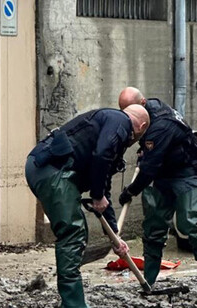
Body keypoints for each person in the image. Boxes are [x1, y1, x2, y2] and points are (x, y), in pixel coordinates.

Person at [25, 104, 149, 308]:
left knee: (74, 232)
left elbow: (104, 185)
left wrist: (115, 236)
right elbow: (101, 156)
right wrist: (97, 195)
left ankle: (72, 301)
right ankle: (74, 305)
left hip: (45, 169)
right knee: (72, 233)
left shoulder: (107, 129)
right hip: (51, 170)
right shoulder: (120, 122)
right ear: (141, 126)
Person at [117, 87, 197, 299]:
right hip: (163, 175)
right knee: (153, 226)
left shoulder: (161, 125)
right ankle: (149, 281)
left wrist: (131, 191)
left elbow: (149, 169)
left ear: (142, 104)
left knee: (193, 223)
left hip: (188, 172)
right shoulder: (148, 111)